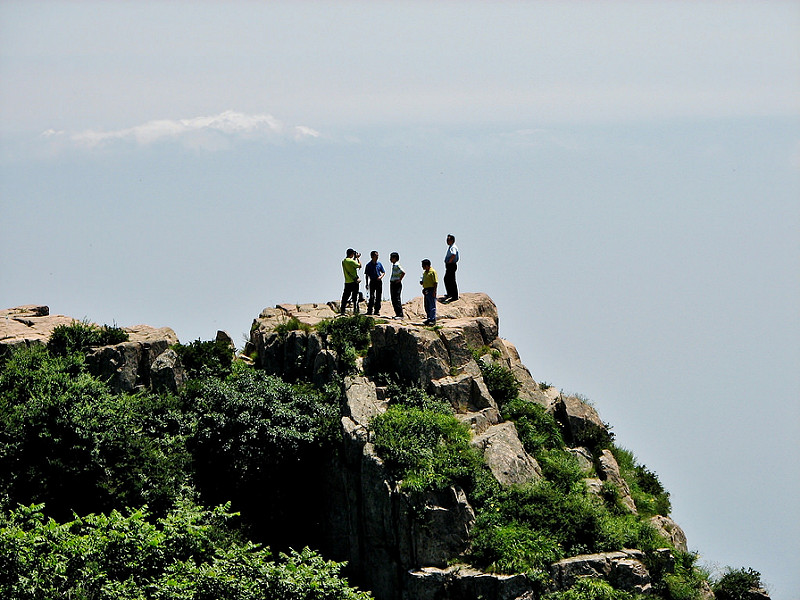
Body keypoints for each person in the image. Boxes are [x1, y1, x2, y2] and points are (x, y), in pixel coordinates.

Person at [340, 248, 361, 314]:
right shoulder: (351, 261)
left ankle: (342, 310)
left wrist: (354, 258)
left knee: (345, 297)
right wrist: (358, 258)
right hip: (354, 282)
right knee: (355, 297)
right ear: (352, 254)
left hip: (347, 282)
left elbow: (352, 265)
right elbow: (359, 265)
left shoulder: (344, 261)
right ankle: (356, 311)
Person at [364, 250, 385, 316]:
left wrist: (381, 277)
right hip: (372, 281)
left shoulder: (379, 264)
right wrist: (367, 283)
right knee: (372, 296)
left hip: (378, 281)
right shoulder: (368, 265)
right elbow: (366, 275)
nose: (377, 257)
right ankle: (370, 310)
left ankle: (377, 310)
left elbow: (383, 272)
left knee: (379, 296)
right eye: (376, 255)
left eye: (377, 255)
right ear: (372, 256)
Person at [420, 258, 438, 325]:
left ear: (427, 265)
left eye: (423, 265)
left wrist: (434, 291)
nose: (422, 267)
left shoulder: (432, 272)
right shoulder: (425, 273)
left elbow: (435, 282)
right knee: (426, 305)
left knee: (432, 305)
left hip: (431, 289)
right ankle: (428, 318)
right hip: (426, 290)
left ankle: (432, 319)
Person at [389, 252, 405, 319]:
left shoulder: (397, 265)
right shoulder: (394, 265)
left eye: (391, 257)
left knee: (396, 298)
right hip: (393, 283)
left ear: (395, 258)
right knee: (393, 298)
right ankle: (397, 314)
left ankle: (400, 314)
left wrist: (399, 280)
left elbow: (403, 272)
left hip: (396, 283)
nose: (390, 259)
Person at [443, 234, 459, 302]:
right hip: (450, 265)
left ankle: (454, 296)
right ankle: (450, 293)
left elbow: (454, 254)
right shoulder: (450, 247)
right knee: (447, 279)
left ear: (452, 240)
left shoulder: (453, 247)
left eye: (448, 240)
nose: (447, 241)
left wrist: (449, 261)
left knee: (451, 280)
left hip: (451, 265)